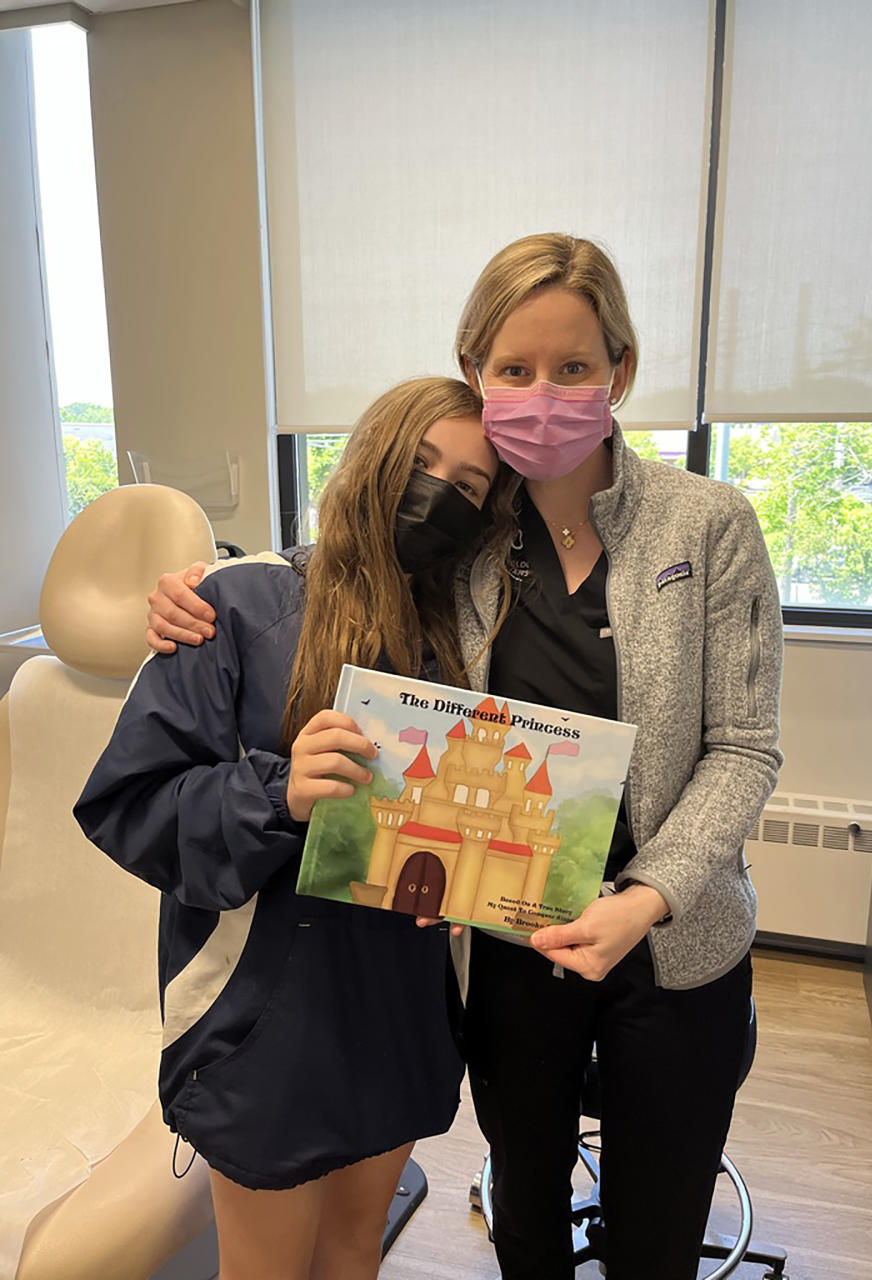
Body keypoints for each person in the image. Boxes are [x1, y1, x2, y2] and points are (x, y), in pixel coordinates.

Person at [146, 233, 784, 1280]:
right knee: (523, 1209)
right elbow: (339, 567)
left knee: (657, 1230)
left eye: (574, 367)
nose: (545, 393)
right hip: (510, 932)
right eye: (515, 369)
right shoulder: (471, 535)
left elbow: (746, 750)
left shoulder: (706, 523)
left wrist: (647, 896)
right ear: (477, 371)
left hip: (672, 940)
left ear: (619, 370)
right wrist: (198, 588)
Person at [74, 377, 518, 1280]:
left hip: (399, 1006)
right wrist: (279, 796)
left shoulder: (464, 643)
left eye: (469, 487)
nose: (439, 495)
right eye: (421, 462)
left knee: (355, 1253)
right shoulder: (233, 606)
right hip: (264, 1021)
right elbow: (128, 806)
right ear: (370, 455)